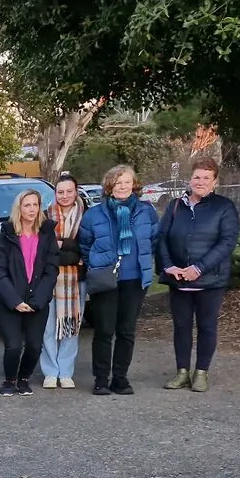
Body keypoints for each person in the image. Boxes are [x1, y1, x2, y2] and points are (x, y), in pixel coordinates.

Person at [156, 157, 240, 392]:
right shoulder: (175, 206)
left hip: (210, 280)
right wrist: (168, 266)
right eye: (196, 177)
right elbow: (161, 238)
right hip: (178, 279)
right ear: (190, 179)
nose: (200, 181)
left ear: (215, 182)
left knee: (206, 326)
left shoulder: (224, 207)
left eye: (206, 178)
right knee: (181, 327)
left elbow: (227, 242)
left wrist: (199, 268)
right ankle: (182, 371)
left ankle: (201, 372)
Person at [79, 164, 158, 396]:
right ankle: (101, 379)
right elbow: (85, 244)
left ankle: (120, 378)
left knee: (126, 330)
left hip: (134, 279)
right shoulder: (95, 214)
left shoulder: (146, 211)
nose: (122, 186)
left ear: (134, 185)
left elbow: (154, 239)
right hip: (106, 279)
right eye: (117, 182)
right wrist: (95, 263)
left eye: (126, 182)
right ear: (109, 186)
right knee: (104, 330)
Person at [0, 189, 60, 396]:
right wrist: (14, 300)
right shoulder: (7, 234)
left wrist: (38, 300)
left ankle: (24, 379)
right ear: (19, 208)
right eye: (27, 205)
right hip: (9, 301)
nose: (31, 209)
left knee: (34, 346)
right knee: (12, 346)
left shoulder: (47, 233)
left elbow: (51, 269)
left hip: (37, 301)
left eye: (35, 205)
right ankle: (10, 380)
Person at [39, 176, 87, 389]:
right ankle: (50, 371)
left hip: (77, 281)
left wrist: (62, 244)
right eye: (60, 192)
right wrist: (72, 251)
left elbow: (86, 247)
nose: (65, 195)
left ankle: (66, 371)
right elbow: (43, 251)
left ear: (76, 192)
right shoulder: (45, 217)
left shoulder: (86, 216)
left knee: (71, 327)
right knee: (48, 328)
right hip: (49, 278)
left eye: (69, 191)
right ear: (55, 193)